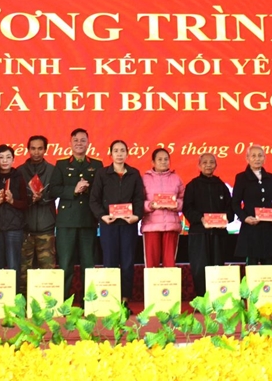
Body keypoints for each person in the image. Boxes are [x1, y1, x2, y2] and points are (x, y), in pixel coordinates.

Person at [89, 140, 145, 311]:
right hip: (109, 225)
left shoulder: (134, 174)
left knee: (127, 263)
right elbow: (94, 199)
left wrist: (137, 216)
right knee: (110, 262)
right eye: (116, 151)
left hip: (128, 225)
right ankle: (111, 301)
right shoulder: (102, 174)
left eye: (122, 150)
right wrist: (102, 216)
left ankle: (125, 300)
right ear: (110, 154)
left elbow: (139, 198)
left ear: (127, 153)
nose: (119, 154)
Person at [50, 128, 103, 302]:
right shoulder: (61, 164)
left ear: (88, 143)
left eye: (83, 140)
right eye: (76, 140)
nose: (79, 143)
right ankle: (63, 302)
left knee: (89, 264)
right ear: (70, 143)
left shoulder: (97, 165)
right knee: (65, 264)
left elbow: (101, 191)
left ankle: (90, 303)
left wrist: (87, 189)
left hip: (88, 220)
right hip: (66, 221)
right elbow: (54, 189)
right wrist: (73, 190)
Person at [182, 153, 233, 298]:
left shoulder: (222, 186)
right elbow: (187, 209)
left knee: (218, 268)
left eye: (211, 162)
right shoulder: (192, 186)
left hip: (219, 234)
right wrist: (201, 219)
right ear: (199, 165)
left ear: (216, 165)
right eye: (205, 162)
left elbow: (230, 209)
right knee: (200, 269)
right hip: (199, 234)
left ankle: (217, 300)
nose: (208, 165)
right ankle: (202, 301)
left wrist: (225, 219)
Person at [18, 135, 57, 295]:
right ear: (28, 149)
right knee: (23, 272)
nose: (36, 152)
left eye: (40, 148)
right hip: (25, 229)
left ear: (45, 150)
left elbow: (56, 192)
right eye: (33, 148)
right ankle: (22, 303)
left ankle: (48, 303)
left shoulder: (53, 171)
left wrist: (43, 198)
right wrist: (29, 198)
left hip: (46, 227)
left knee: (47, 272)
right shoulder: (19, 171)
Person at [233, 145, 272, 265]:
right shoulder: (241, 178)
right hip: (251, 228)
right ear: (247, 158)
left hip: (269, 228)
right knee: (252, 265)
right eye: (253, 156)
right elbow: (235, 203)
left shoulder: (270, 177)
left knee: (269, 264)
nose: (257, 159)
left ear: (264, 158)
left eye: (260, 156)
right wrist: (245, 218)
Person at [0, 145, 29, 292]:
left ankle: (14, 298)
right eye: (1, 157)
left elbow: (25, 203)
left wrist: (12, 201)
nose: (4, 160)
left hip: (14, 228)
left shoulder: (19, 176)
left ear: (13, 159)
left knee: (14, 266)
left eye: (8, 157)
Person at [141, 148, 184, 268]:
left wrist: (176, 204)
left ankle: (169, 282)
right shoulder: (144, 179)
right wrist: (150, 205)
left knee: (170, 265)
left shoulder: (176, 178)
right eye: (160, 159)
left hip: (171, 226)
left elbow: (184, 200)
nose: (163, 162)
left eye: (166, 159)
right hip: (151, 226)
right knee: (151, 265)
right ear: (153, 162)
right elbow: (138, 202)